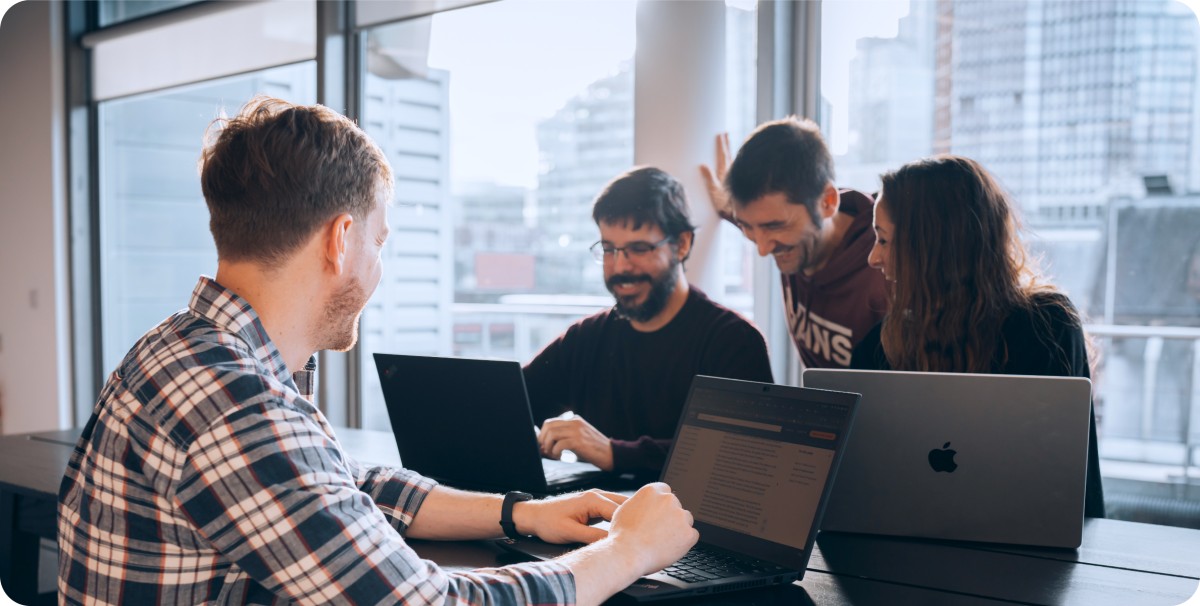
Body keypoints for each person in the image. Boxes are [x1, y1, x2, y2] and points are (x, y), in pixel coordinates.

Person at [57, 97, 698, 606]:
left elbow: (341, 485)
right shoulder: (235, 404)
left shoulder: (187, 351)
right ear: (340, 240)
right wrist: (628, 552)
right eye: (379, 241)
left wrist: (522, 513)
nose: (378, 267)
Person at [851, 154, 1105, 518]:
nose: (873, 258)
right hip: (912, 537)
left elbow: (1068, 485)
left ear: (933, 248)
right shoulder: (881, 344)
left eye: (884, 240)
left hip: (1026, 545)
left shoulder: (1045, 324)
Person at [526, 167, 773, 477]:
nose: (620, 267)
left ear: (682, 245)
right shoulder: (584, 340)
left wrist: (614, 453)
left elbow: (741, 455)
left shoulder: (733, 342)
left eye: (639, 249)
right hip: (598, 520)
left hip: (693, 523)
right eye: (608, 249)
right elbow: (511, 405)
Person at [701, 118, 889, 369]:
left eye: (775, 226)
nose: (763, 248)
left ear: (827, 202)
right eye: (747, 226)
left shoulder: (886, 268)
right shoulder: (787, 231)